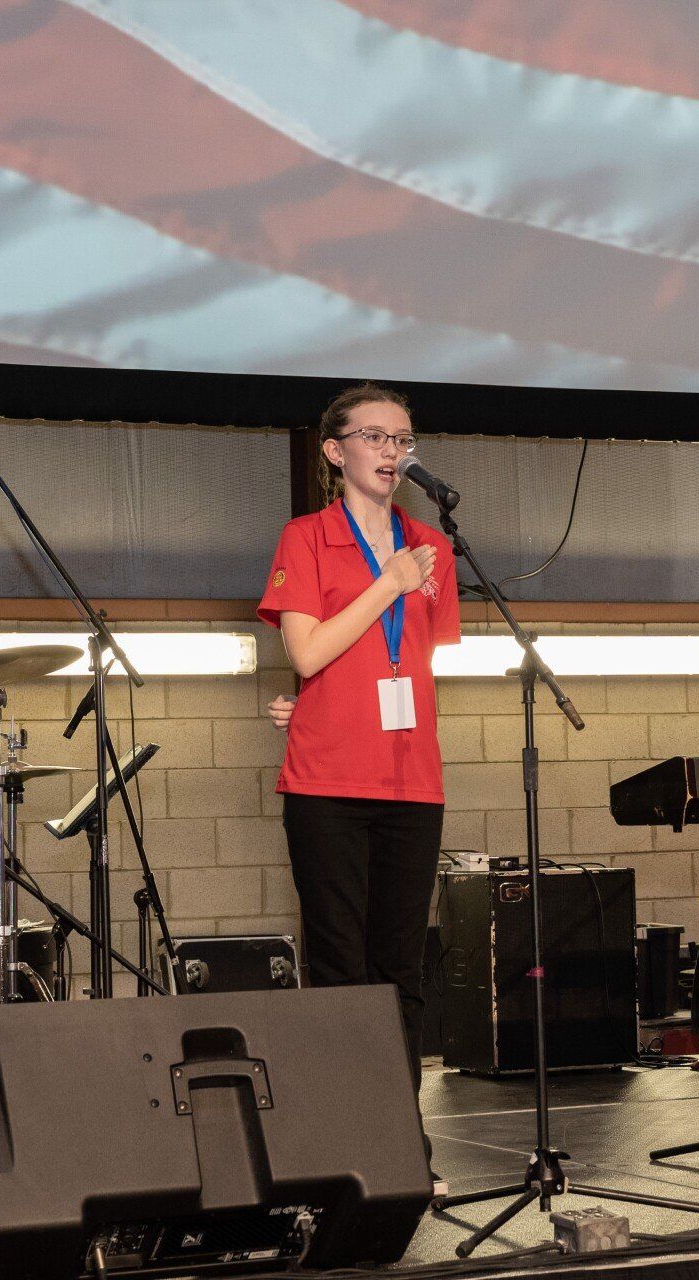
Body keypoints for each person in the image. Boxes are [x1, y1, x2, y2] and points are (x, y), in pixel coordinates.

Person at [257, 381, 459, 1089]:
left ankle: (403, 1141)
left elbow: (413, 661)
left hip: (412, 781)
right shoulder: (306, 537)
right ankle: (348, 1138)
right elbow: (308, 654)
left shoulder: (433, 545)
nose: (392, 451)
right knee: (341, 968)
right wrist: (390, 584)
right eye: (375, 437)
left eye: (402, 439)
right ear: (335, 451)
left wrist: (322, 699)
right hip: (327, 787)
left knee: (402, 968)